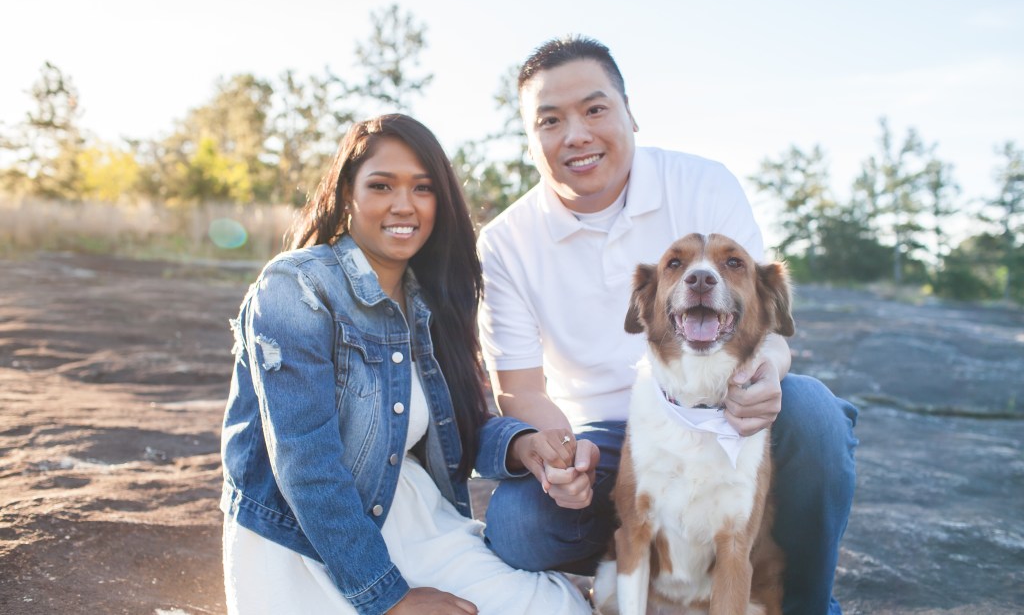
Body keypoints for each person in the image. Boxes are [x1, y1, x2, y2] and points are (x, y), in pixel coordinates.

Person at [477, 37, 859, 614]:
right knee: (517, 523)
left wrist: (765, 375)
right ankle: (648, 577)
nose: (576, 134)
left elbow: (767, 327)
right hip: (605, 437)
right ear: (530, 137)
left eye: (595, 109)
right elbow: (521, 390)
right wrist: (564, 459)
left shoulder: (703, 183)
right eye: (550, 120)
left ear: (630, 112)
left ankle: (804, 605)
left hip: (720, 407)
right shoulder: (505, 242)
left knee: (815, 417)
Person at [219, 114, 592, 615]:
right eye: (381, 185)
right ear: (346, 194)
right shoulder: (296, 287)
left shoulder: (431, 296)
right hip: (307, 538)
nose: (404, 205)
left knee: (558, 609)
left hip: (413, 513)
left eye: (422, 187)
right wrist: (389, 597)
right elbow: (305, 465)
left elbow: (454, 424)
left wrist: (522, 445)